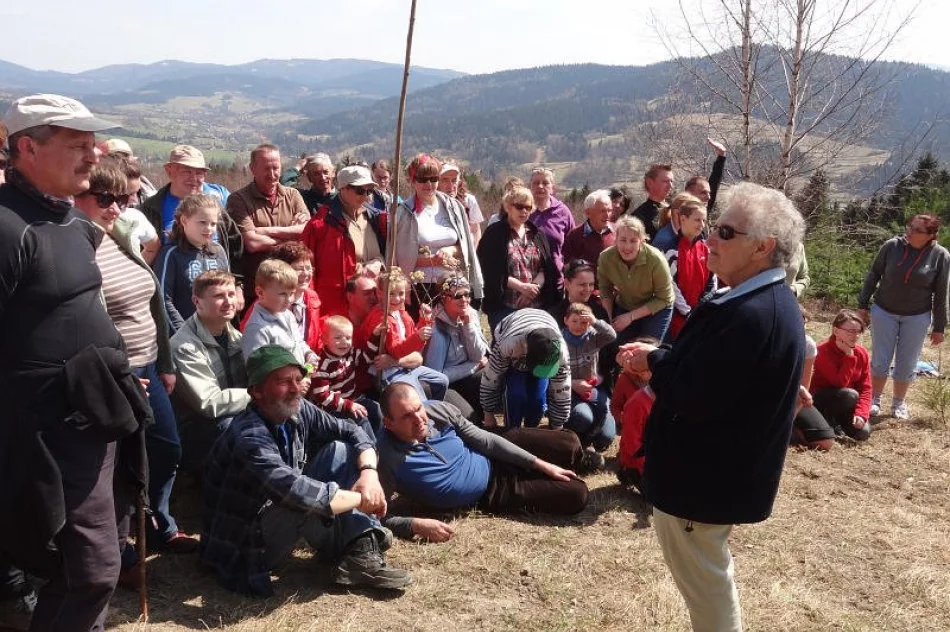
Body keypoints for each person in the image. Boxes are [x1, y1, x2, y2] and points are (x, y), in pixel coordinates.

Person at [618, 181, 806, 632]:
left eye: (725, 232)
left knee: (708, 591)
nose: (710, 239)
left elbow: (695, 394)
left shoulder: (755, 315)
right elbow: (710, 372)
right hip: (707, 479)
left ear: (762, 247)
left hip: (702, 486)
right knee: (709, 581)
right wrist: (661, 358)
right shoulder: (749, 300)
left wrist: (652, 363)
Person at [0, 94, 149, 630]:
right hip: (43, 433)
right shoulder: (8, 227)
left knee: (91, 563)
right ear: (27, 148)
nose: (93, 156)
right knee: (92, 571)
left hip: (95, 416)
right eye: (77, 145)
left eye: (93, 143)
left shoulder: (69, 220)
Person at [200, 345, 412, 595]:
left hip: (272, 514)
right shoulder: (249, 435)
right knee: (303, 500)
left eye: (298, 379)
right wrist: (362, 499)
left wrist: (369, 474)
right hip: (241, 545)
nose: (294, 388)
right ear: (257, 390)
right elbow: (294, 491)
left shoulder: (298, 408)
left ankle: (360, 546)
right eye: (283, 381)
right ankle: (360, 543)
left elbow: (351, 429)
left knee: (340, 450)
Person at [74, 161, 198, 566]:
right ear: (77, 196)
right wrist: (117, 376)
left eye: (123, 199)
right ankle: (122, 550)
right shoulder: (77, 248)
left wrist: (164, 360)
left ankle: (158, 521)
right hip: (117, 376)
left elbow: (153, 303)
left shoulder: (120, 236)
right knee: (121, 466)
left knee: (167, 448)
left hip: (148, 366)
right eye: (105, 198)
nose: (116, 207)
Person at [377, 383, 589, 539]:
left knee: (569, 443)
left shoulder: (437, 410)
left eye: (418, 408)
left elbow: (485, 440)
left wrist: (541, 464)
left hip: (488, 453)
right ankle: (559, 468)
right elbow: (375, 516)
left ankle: (579, 460)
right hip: (492, 492)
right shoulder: (387, 458)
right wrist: (414, 525)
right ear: (389, 423)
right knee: (577, 494)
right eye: (406, 416)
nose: (419, 419)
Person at [858, 213, 949, 419]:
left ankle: (898, 403)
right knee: (881, 359)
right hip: (884, 311)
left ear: (930, 235)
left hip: (917, 316)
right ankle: (875, 399)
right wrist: (863, 305)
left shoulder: (940, 256)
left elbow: (942, 293)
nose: (910, 231)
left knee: (907, 362)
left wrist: (939, 327)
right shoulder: (892, 246)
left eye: (917, 229)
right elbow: (873, 274)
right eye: (909, 226)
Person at [170, 270, 250, 474]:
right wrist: (259, 396)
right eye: (218, 296)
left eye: (231, 294)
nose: (228, 301)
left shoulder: (235, 336)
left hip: (235, 411)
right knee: (234, 426)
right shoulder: (184, 346)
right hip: (199, 429)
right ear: (197, 301)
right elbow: (209, 403)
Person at [393, 154, 483, 319]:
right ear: (412, 181)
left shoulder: (453, 207)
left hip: (453, 285)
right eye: (422, 179)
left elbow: (465, 245)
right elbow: (399, 257)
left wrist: (450, 250)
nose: (429, 184)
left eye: (433, 178)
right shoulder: (403, 213)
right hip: (419, 288)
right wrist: (433, 260)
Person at [227, 144, 310, 306]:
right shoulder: (238, 199)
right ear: (253, 169)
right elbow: (252, 243)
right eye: (266, 169)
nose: (272, 175)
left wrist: (266, 231)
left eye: (276, 168)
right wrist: (292, 238)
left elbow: (307, 232)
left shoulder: (293, 195)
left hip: (293, 288)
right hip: (258, 292)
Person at [301, 165, 387, 317]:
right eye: (360, 190)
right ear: (342, 188)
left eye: (369, 191)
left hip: (372, 302)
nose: (366, 196)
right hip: (337, 306)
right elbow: (307, 267)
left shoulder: (374, 218)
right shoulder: (321, 224)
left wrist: (379, 262)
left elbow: (385, 251)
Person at [357, 267, 449, 401]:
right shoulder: (381, 319)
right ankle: (425, 415)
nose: (397, 298)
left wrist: (425, 320)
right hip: (387, 374)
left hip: (403, 366)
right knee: (418, 399)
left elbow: (413, 339)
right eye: (391, 294)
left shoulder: (400, 313)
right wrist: (418, 337)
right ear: (380, 293)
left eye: (401, 293)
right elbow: (396, 350)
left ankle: (434, 409)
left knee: (442, 381)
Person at [478, 185, 560, 332]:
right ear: (508, 207)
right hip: (504, 308)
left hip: (537, 307)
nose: (524, 211)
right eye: (519, 206)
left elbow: (546, 268)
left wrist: (533, 288)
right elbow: (489, 271)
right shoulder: (494, 233)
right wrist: (522, 288)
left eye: (528, 207)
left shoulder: (537, 234)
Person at [480, 309, 571, 430]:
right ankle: (512, 429)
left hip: (542, 324)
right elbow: (491, 379)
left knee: (538, 400)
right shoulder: (507, 345)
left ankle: (531, 429)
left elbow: (562, 389)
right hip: (512, 337)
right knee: (516, 394)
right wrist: (488, 414)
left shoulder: (561, 352)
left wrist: (558, 424)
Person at [154, 193, 230, 334]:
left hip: (218, 333)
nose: (209, 228)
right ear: (184, 221)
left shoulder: (219, 251)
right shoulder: (171, 254)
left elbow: (227, 293)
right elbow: (164, 301)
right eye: (202, 222)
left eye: (213, 224)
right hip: (185, 337)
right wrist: (184, 334)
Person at [797, 309, 872, 443]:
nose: (855, 335)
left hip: (847, 404)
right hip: (820, 400)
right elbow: (839, 383)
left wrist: (861, 414)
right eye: (850, 331)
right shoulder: (822, 351)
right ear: (836, 331)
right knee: (849, 394)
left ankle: (838, 423)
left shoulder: (862, 353)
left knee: (863, 433)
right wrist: (849, 357)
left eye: (858, 331)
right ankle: (827, 422)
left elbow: (866, 388)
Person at [598, 215, 675, 344]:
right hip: (626, 304)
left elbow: (664, 298)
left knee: (646, 350)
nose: (627, 247)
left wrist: (631, 317)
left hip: (656, 307)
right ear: (615, 239)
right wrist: (609, 319)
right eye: (623, 240)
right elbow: (605, 290)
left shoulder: (656, 259)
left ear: (642, 241)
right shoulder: (605, 257)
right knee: (618, 346)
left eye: (633, 241)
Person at [424, 274, 490, 423]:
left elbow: (478, 355)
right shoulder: (436, 329)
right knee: (470, 420)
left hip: (465, 374)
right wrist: (474, 366)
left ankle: (486, 418)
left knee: (488, 376)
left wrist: (468, 325)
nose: (464, 300)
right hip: (446, 385)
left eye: (467, 294)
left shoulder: (470, 313)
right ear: (443, 298)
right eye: (458, 296)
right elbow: (434, 378)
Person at [311, 315, 384, 441]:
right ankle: (371, 450)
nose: (344, 342)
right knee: (361, 417)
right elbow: (322, 395)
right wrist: (348, 406)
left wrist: (375, 335)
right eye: (338, 338)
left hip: (352, 399)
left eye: (348, 338)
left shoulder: (350, 353)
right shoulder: (322, 364)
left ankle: (382, 441)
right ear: (324, 339)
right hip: (333, 409)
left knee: (375, 407)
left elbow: (367, 357)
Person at [241, 241, 323, 352]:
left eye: (309, 268)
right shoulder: (267, 304)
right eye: (299, 269)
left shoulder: (312, 298)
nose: (306, 274)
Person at [141, 144, 229, 241]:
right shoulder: (152, 207)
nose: (194, 178)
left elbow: (235, 240)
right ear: (169, 172)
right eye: (186, 172)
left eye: (199, 173)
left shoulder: (221, 196)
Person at [561, 303, 617, 457]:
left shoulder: (593, 336)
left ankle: (595, 439)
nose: (579, 326)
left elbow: (611, 335)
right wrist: (572, 383)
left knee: (605, 433)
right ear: (566, 320)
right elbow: (552, 372)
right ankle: (580, 439)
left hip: (594, 387)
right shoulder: (560, 339)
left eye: (584, 322)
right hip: (570, 390)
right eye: (574, 321)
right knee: (582, 418)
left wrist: (595, 322)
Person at [662, 194, 716, 340]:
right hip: (678, 318)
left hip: (702, 315)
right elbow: (670, 284)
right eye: (697, 220)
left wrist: (702, 306)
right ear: (683, 219)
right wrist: (687, 311)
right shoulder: (671, 249)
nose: (702, 224)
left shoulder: (706, 247)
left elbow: (712, 280)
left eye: (704, 220)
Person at [527, 167, 574, 288]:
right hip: (526, 280)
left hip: (556, 279)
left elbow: (572, 245)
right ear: (530, 187)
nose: (540, 186)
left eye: (545, 183)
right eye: (536, 183)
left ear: (553, 187)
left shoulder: (563, 212)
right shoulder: (523, 210)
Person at [562, 189, 616, 284]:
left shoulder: (618, 232)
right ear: (588, 213)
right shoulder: (575, 236)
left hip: (615, 292)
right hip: (586, 293)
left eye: (609, 210)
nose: (607, 215)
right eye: (602, 211)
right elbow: (567, 268)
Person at [438, 162, 485, 245]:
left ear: (459, 182)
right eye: (445, 180)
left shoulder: (468, 201)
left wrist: (473, 255)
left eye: (454, 180)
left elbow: (476, 231)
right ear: (437, 182)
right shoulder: (431, 204)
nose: (450, 185)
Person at [630, 163, 673, 241]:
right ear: (650, 183)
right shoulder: (638, 217)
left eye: (671, 181)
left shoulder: (675, 211)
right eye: (665, 181)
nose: (670, 185)